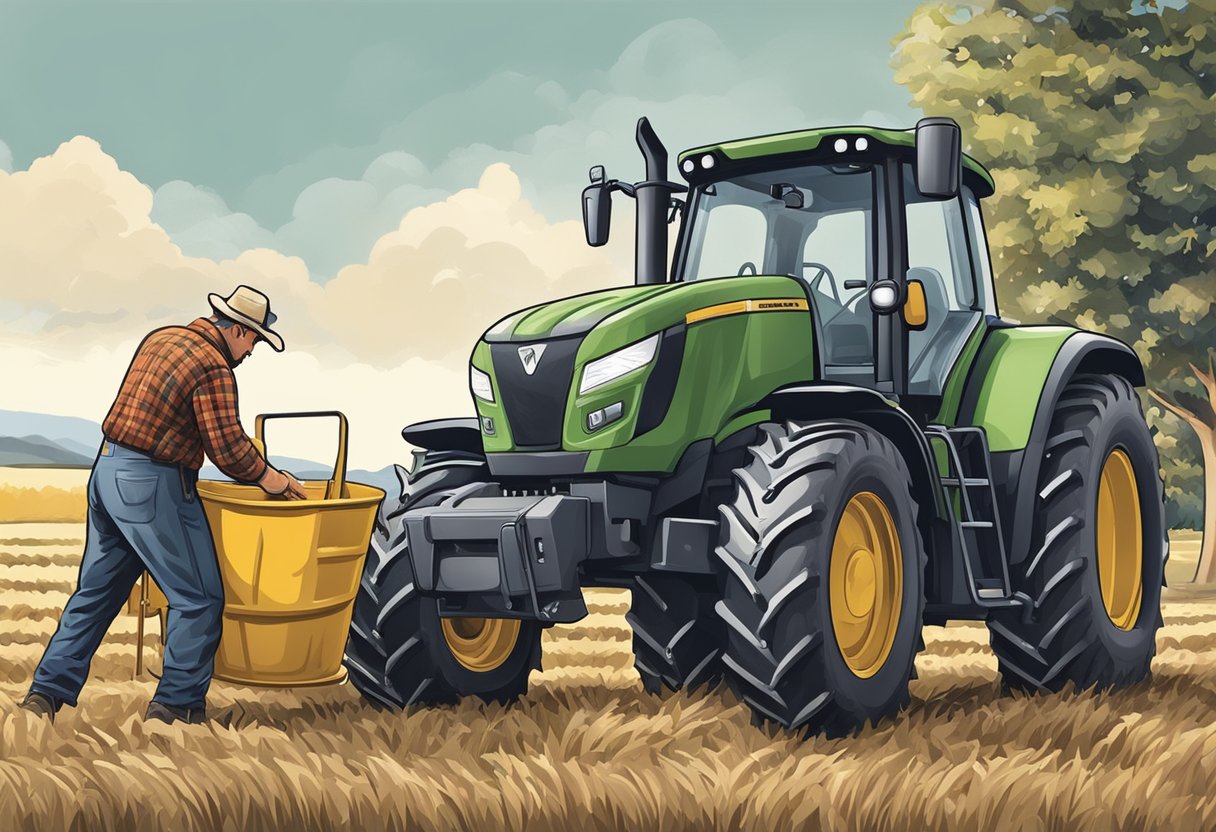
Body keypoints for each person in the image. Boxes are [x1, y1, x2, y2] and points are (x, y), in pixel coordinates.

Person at [20, 285, 308, 725]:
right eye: (253, 341)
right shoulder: (214, 367)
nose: (251, 351)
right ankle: (175, 708)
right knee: (199, 598)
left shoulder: (161, 337)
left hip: (106, 471)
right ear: (236, 330)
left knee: (95, 595)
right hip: (152, 484)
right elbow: (227, 449)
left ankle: (45, 695)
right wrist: (273, 480)